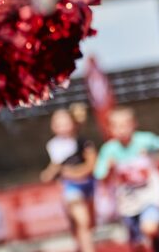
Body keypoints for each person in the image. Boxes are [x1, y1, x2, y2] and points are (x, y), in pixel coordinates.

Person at [94, 108, 159, 252]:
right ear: (109, 129)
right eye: (116, 126)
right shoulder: (108, 150)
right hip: (127, 201)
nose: (121, 130)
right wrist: (110, 168)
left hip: (150, 195)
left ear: (134, 124)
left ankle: (156, 241)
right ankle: (149, 242)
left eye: (125, 125)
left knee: (150, 228)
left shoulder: (145, 140)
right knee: (137, 245)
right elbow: (101, 177)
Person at [41, 108, 98, 252]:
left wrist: (76, 173)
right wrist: (49, 174)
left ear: (73, 123)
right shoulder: (54, 145)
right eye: (58, 124)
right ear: (53, 127)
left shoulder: (84, 142)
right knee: (82, 221)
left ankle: (79, 244)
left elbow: (91, 165)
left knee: (90, 223)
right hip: (71, 187)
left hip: (88, 184)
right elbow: (56, 165)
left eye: (65, 123)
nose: (63, 127)